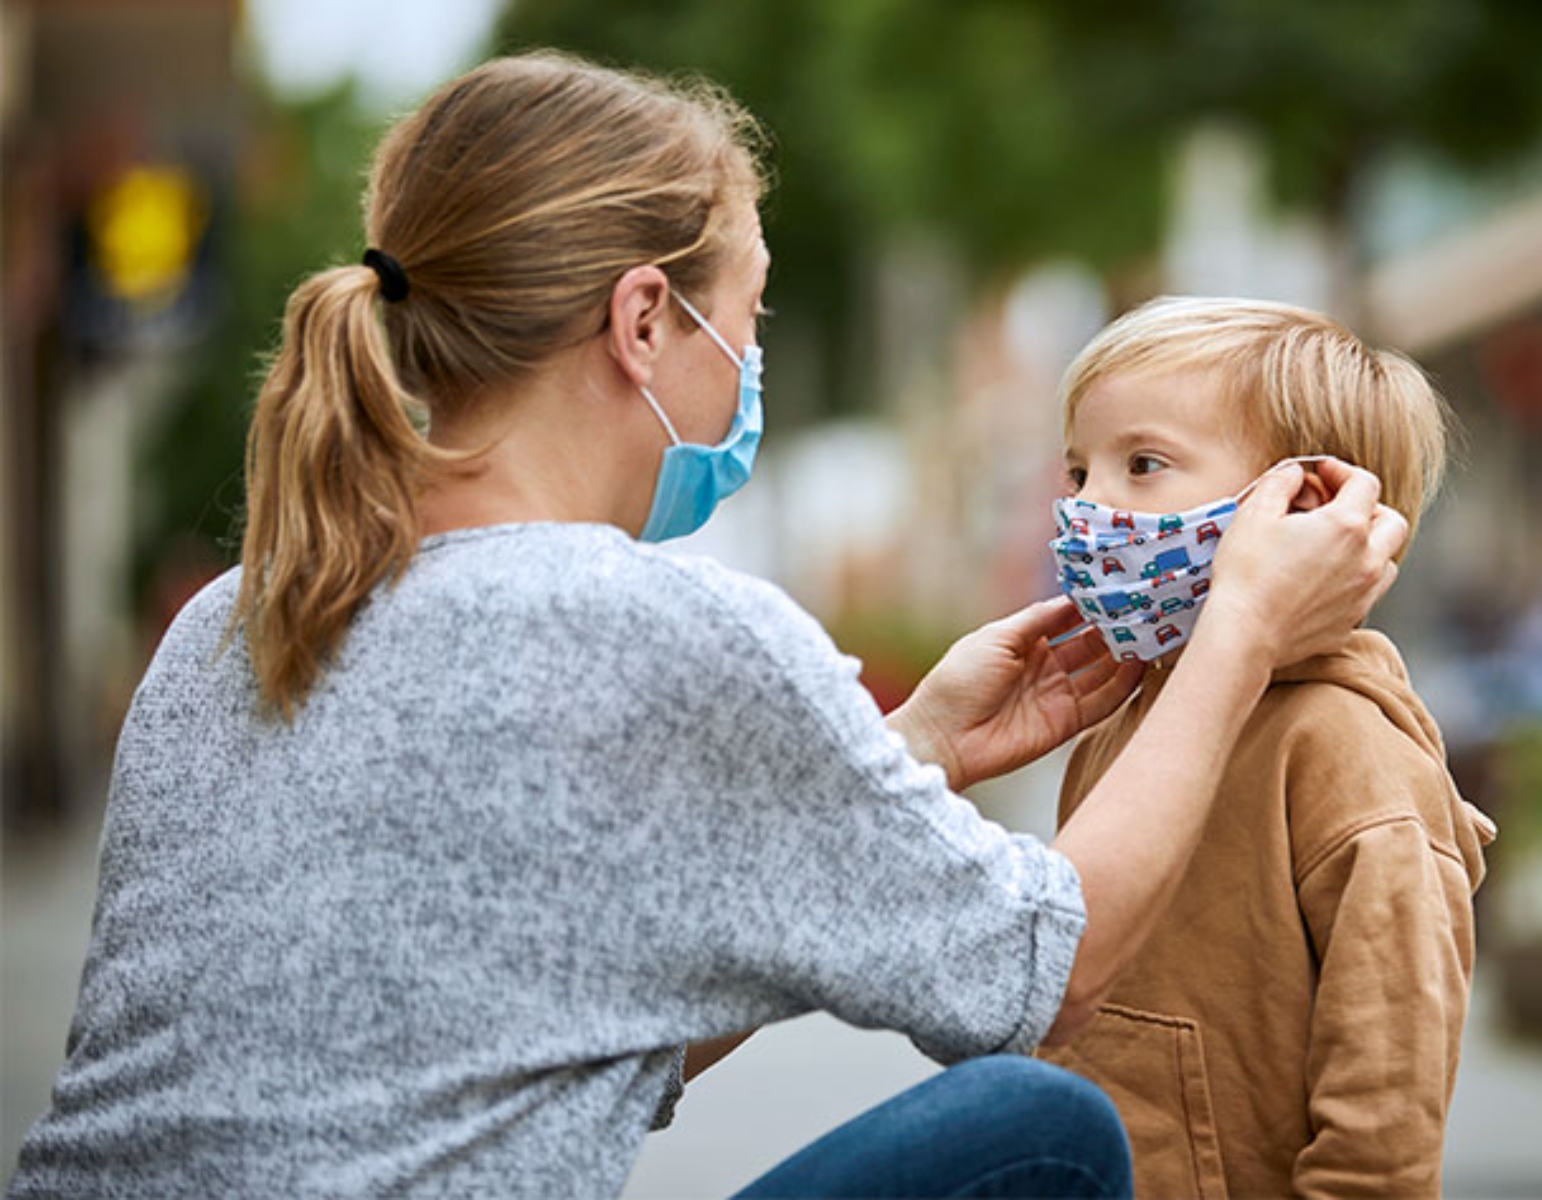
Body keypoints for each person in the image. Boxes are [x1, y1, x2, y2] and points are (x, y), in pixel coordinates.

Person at [7, 58, 1407, 1199]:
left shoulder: (236, 619)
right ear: (641, 321)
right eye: (747, 315)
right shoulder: (656, 624)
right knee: (1043, 1131)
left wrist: (906, 755)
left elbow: (554, 1035)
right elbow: (1047, 968)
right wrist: (1239, 628)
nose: (750, 362)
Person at [1038, 296, 1499, 1198]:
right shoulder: (1124, 727)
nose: (1089, 509)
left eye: (1142, 464)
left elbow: (1386, 1125)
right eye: (1079, 471)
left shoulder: (1349, 751)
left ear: (1309, 504)